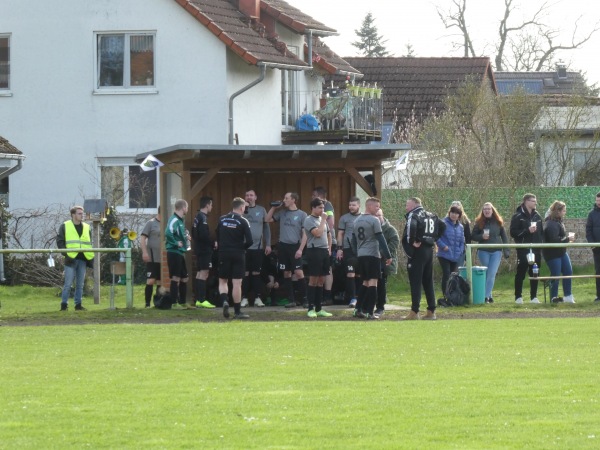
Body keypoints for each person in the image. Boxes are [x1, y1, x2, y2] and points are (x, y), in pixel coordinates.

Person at [402, 197, 445, 320]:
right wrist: (433, 239)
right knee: (428, 280)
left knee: (415, 281)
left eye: (407, 205)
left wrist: (412, 241)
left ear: (415, 205)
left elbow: (411, 228)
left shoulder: (414, 215)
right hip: (429, 250)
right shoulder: (432, 215)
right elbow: (443, 226)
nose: (406, 208)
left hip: (418, 251)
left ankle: (414, 311)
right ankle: (431, 310)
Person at [351, 197, 392, 319]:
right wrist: (388, 255)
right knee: (373, 282)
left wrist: (357, 252)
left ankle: (358, 309)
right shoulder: (374, 220)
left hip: (361, 255)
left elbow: (353, 241)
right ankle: (370, 312)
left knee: (365, 282)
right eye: (376, 207)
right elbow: (381, 239)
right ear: (369, 206)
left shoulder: (356, 221)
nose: (378, 209)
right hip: (372, 255)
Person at [265, 192, 307, 308]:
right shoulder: (282, 213)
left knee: (298, 272)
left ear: (293, 200)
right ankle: (291, 300)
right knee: (286, 272)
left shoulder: (302, 214)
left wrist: (300, 249)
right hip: (283, 246)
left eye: (286, 198)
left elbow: (305, 234)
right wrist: (273, 208)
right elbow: (267, 219)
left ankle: (305, 299)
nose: (284, 200)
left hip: (295, 246)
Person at [216, 197, 253, 319]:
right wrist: (241, 247)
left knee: (223, 280)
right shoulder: (243, 221)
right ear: (242, 207)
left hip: (223, 252)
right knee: (237, 282)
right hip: (238, 253)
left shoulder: (222, 219)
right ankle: (237, 312)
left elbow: (217, 235)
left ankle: (225, 301)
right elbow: (250, 241)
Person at [57, 205, 94, 311]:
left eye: (82, 213)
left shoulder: (87, 227)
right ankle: (64, 305)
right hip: (70, 259)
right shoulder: (65, 226)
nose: (82, 215)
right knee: (68, 283)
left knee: (80, 284)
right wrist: (66, 254)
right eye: (79, 213)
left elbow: (89, 242)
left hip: (83, 258)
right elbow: (60, 242)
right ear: (73, 215)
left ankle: (78, 305)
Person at [471, 202, 509, 304]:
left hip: (496, 251)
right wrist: (481, 237)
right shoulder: (479, 222)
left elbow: (504, 236)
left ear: (492, 210)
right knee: (487, 274)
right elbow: (473, 236)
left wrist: (506, 250)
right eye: (485, 209)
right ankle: (489, 296)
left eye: (488, 209)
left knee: (492, 274)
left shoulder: (498, 222)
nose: (487, 211)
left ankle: (485, 297)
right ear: (482, 211)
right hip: (483, 251)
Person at [510, 193, 544, 304]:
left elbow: (541, 233)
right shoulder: (517, 216)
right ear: (526, 202)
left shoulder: (537, 216)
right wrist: (527, 231)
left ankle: (533, 297)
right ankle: (518, 297)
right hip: (523, 249)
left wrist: (540, 244)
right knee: (521, 273)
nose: (535, 203)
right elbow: (513, 233)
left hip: (536, 249)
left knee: (535, 273)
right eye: (533, 201)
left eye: (535, 201)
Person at [303, 198, 333, 317]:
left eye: (323, 208)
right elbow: (318, 233)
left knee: (322, 280)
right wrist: (324, 220)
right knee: (314, 280)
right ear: (313, 208)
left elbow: (328, 234)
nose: (322, 210)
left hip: (324, 251)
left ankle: (319, 308)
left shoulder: (322, 220)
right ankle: (311, 308)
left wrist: (329, 249)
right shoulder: (308, 220)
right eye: (320, 208)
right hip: (314, 251)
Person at [241, 189, 271, 307]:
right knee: (245, 273)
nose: (249, 197)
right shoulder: (241, 210)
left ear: (255, 197)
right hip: (244, 248)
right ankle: (244, 298)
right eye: (247, 195)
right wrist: (243, 209)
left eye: (251, 195)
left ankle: (258, 298)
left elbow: (266, 228)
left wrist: (268, 244)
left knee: (256, 273)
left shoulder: (261, 210)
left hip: (258, 247)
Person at [543, 201, 575, 303]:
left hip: (561, 252)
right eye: (564, 210)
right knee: (556, 274)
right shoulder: (550, 223)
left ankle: (568, 295)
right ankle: (553, 297)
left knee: (568, 271)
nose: (565, 212)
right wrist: (567, 239)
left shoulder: (558, 221)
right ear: (558, 211)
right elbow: (554, 240)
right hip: (552, 253)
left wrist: (566, 239)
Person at [165, 199, 191, 308]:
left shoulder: (180, 221)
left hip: (180, 253)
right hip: (173, 252)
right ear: (183, 208)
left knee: (184, 277)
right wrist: (176, 243)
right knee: (175, 277)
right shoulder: (174, 219)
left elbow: (179, 233)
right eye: (187, 207)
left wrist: (186, 237)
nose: (187, 210)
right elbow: (168, 232)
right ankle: (174, 303)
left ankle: (182, 302)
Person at [436, 205, 465, 303]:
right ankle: (446, 296)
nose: (454, 215)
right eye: (452, 212)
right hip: (444, 254)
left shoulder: (461, 227)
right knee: (446, 274)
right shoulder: (443, 223)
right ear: (449, 213)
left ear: (459, 216)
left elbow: (462, 241)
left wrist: (460, 250)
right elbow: (436, 237)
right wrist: (443, 246)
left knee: (454, 276)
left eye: (456, 213)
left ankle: (452, 296)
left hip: (456, 255)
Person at [336, 196, 361, 308]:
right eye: (350, 205)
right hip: (348, 249)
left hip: (361, 249)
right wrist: (340, 249)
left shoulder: (364, 217)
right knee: (350, 273)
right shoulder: (344, 218)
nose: (351, 207)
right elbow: (340, 234)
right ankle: (352, 298)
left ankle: (361, 297)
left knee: (360, 274)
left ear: (359, 206)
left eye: (353, 205)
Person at [312, 186, 335, 304]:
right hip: (317, 243)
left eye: (314, 195)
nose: (312, 197)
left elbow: (330, 223)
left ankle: (327, 296)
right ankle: (318, 297)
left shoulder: (327, 205)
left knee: (327, 269)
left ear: (320, 196)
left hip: (328, 242)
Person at [374, 208, 399, 318]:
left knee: (382, 282)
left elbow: (394, 243)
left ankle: (380, 305)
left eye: (379, 215)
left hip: (385, 261)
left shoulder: (390, 230)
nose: (377, 218)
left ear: (383, 216)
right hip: (373, 259)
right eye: (375, 216)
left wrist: (382, 252)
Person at [192, 196, 216, 308]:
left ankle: (198, 299)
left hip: (198, 249)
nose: (212, 207)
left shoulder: (197, 217)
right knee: (204, 273)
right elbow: (203, 235)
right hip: (204, 250)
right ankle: (202, 300)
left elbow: (194, 233)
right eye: (211, 205)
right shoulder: (203, 218)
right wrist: (213, 243)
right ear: (207, 205)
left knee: (199, 273)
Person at [140, 207, 161, 308]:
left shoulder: (167, 223)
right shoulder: (151, 223)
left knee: (161, 281)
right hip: (152, 257)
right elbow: (143, 238)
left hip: (163, 258)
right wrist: (144, 252)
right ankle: (147, 303)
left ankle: (158, 303)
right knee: (151, 280)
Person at [585, 192, 600, 302]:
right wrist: (593, 246)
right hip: (597, 248)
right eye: (597, 200)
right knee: (598, 272)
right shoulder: (592, 214)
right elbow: (588, 231)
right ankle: (599, 296)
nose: (598, 203)